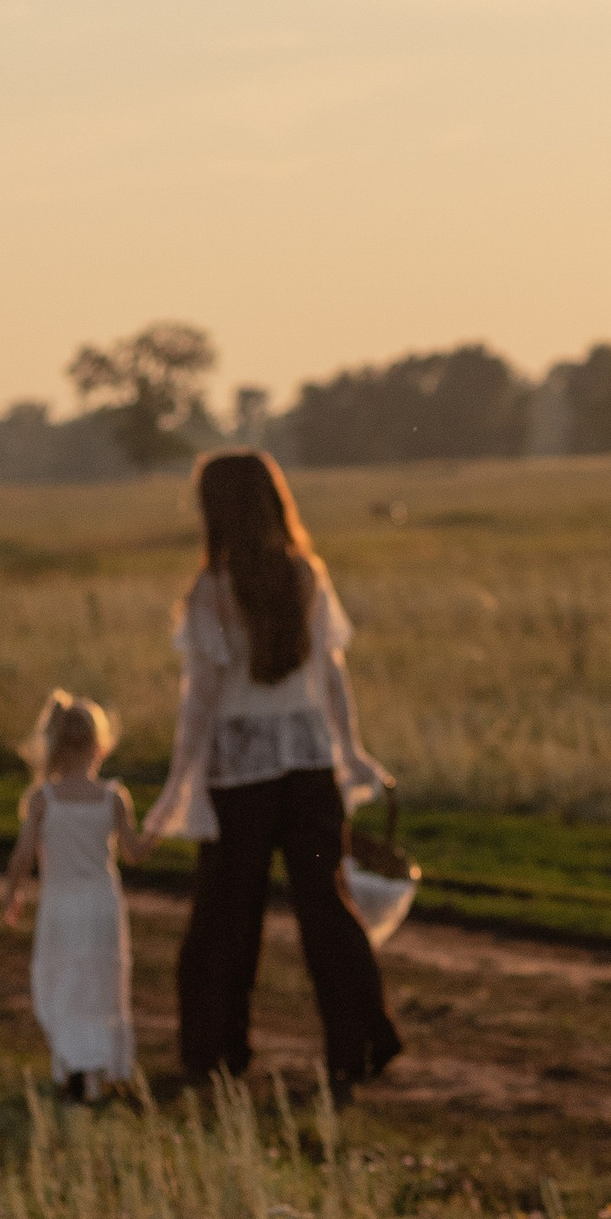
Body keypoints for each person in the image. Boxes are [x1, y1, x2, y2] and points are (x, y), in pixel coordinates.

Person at [144, 450, 403, 1097]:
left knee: (225, 915)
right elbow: (332, 678)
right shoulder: (307, 575)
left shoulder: (211, 591)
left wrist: (177, 787)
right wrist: (352, 751)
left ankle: (215, 1051)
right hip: (310, 770)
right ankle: (360, 1044)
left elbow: (200, 700)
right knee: (328, 907)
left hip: (240, 777)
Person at [4, 690, 146, 1103]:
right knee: (101, 983)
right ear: (99, 746)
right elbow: (134, 853)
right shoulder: (114, 797)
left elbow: (22, 857)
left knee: (64, 981)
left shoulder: (42, 801)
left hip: (61, 907)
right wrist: (160, 826)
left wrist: (12, 894)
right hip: (102, 905)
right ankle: (98, 1073)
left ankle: (73, 1067)